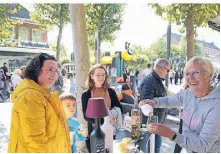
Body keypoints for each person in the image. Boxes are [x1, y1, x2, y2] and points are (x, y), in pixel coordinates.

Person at [140, 56, 220, 153]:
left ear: (209, 75)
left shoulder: (216, 105)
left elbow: (203, 145)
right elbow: (169, 100)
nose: (190, 78)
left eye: (196, 73)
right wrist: (154, 102)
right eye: (187, 74)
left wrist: (171, 134)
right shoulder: (188, 93)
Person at [8, 53, 71, 153]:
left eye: (56, 70)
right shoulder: (31, 96)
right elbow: (36, 141)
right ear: (36, 71)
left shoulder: (44, 94)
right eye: (50, 69)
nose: (54, 74)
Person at [81, 64, 123, 153]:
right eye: (98, 75)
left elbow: (119, 108)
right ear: (91, 76)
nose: (101, 77)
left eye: (103, 75)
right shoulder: (86, 94)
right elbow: (86, 115)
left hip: (109, 130)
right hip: (93, 131)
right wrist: (104, 120)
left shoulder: (111, 91)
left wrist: (114, 118)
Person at [139, 58, 170, 153]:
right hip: (151, 125)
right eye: (167, 70)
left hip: (156, 124)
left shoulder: (155, 79)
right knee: (149, 149)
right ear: (162, 68)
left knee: (155, 148)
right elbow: (145, 103)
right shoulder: (151, 80)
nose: (167, 72)